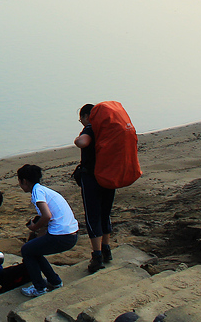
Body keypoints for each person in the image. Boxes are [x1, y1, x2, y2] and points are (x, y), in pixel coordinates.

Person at [16, 164, 79, 297]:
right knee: (33, 250)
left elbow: (47, 216)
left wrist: (34, 227)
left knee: (26, 251)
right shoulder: (44, 190)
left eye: (20, 181)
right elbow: (46, 222)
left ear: (24, 181)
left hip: (61, 236)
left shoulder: (37, 193)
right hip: (71, 234)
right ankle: (54, 282)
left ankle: (39, 288)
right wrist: (37, 236)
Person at [74, 103, 116, 273]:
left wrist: (78, 138)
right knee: (105, 213)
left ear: (86, 116)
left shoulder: (90, 128)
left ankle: (97, 256)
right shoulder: (108, 128)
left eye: (81, 119)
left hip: (92, 178)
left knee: (93, 216)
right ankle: (107, 250)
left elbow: (82, 143)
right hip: (110, 176)